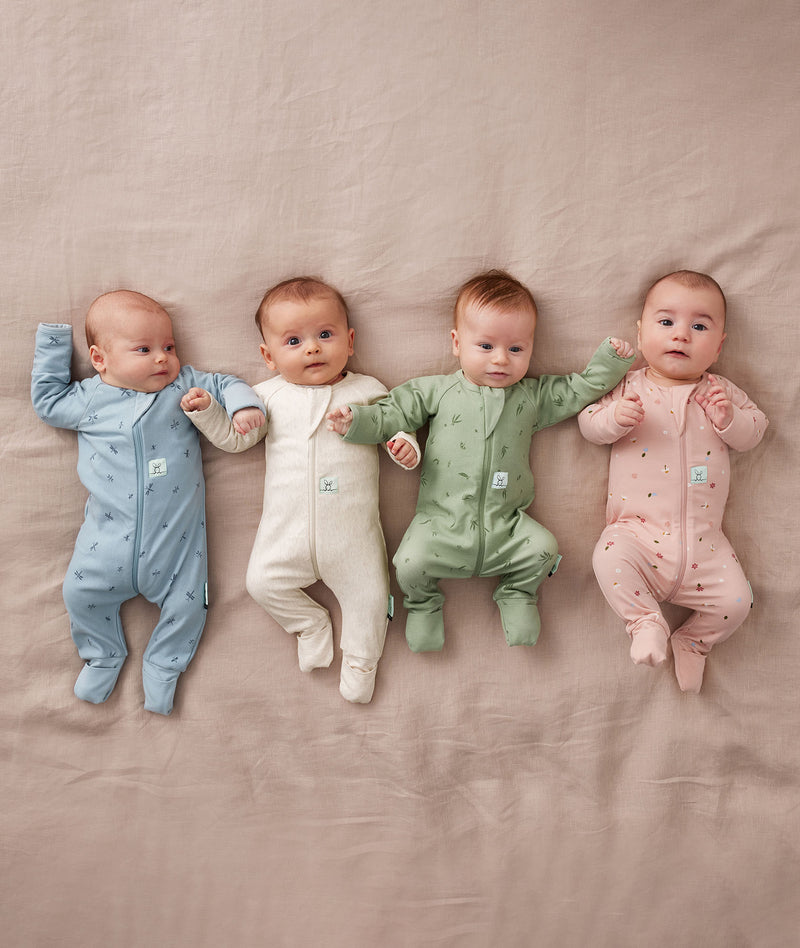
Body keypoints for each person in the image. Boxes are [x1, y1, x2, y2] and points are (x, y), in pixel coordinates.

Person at [327, 269, 635, 653]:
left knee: (544, 548)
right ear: (457, 343)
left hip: (506, 527)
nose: (501, 360)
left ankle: (518, 592)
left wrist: (610, 362)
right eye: (486, 346)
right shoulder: (437, 391)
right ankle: (423, 602)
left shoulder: (531, 397)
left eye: (517, 349)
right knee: (406, 563)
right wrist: (356, 420)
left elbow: (576, 390)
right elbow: (394, 413)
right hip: (440, 524)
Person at [181, 277, 419, 704]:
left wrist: (404, 446)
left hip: (352, 537)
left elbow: (395, 425)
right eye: (294, 341)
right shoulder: (265, 396)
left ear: (349, 341)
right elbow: (236, 440)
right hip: (285, 533)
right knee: (259, 582)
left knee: (369, 598)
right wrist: (212, 414)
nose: (312, 348)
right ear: (268, 356)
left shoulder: (368, 390)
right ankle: (309, 623)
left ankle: (362, 662)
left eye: (325, 335)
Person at [31, 290, 265, 714]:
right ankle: (103, 654)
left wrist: (243, 407)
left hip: (175, 549)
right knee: (78, 593)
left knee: (192, 605)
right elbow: (47, 401)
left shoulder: (183, 385)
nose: (163, 358)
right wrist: (52, 344)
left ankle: (163, 667)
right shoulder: (88, 399)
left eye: (169, 347)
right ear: (100, 360)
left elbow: (226, 382)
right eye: (145, 349)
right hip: (106, 543)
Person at [578, 270, 768, 692]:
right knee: (607, 556)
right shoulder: (629, 387)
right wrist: (613, 419)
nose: (681, 335)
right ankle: (645, 623)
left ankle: (695, 641)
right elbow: (588, 424)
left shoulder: (721, 392)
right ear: (641, 333)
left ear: (718, 345)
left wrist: (729, 420)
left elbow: (756, 430)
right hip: (637, 534)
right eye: (666, 323)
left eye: (699, 326)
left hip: (705, 543)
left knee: (738, 602)